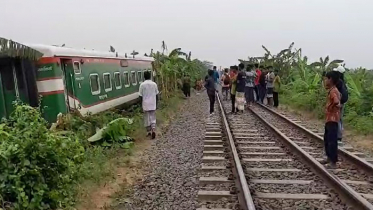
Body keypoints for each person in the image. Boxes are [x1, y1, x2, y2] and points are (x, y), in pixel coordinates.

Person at [320, 71, 341, 169]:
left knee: (332, 140)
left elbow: (336, 102)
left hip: (332, 119)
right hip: (330, 119)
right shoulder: (333, 89)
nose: (325, 81)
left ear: (330, 79)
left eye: (326, 79)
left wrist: (331, 106)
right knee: (327, 139)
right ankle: (329, 157)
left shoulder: (333, 91)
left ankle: (333, 161)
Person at [139, 71, 159, 139]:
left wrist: (140, 105)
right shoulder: (154, 84)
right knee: (153, 117)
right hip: (153, 103)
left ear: (144, 77)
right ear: (150, 76)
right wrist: (157, 103)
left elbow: (140, 96)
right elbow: (157, 95)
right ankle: (153, 129)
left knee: (146, 118)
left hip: (145, 104)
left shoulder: (142, 85)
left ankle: (148, 132)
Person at [333, 65, 348, 144]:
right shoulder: (343, 82)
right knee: (340, 119)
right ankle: (339, 134)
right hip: (343, 102)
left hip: (339, 103)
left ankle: (338, 137)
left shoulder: (338, 82)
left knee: (337, 119)